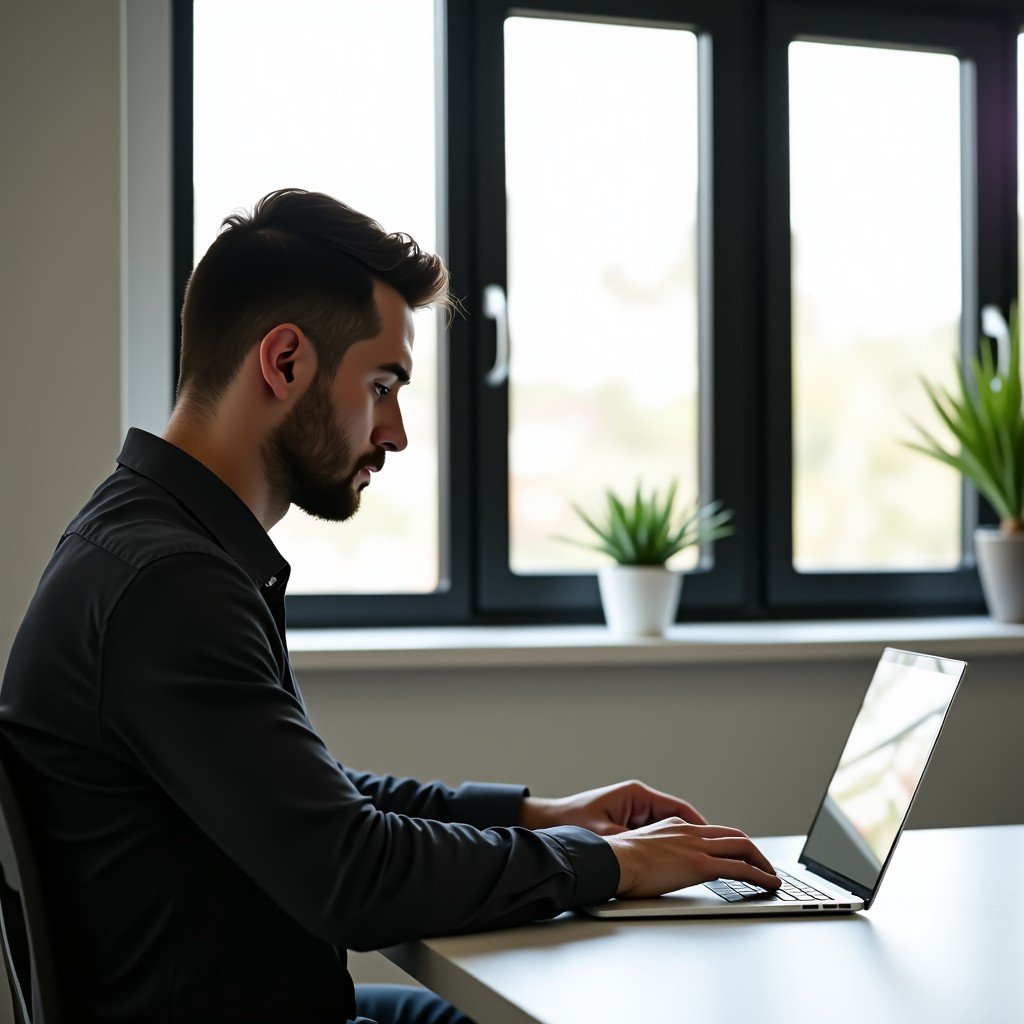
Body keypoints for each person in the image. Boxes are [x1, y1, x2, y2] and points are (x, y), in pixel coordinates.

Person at [0, 189, 781, 1024]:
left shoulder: (145, 538)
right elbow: (355, 874)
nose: (397, 431)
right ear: (286, 361)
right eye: (382, 385)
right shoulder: (170, 584)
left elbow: (311, 798)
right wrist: (610, 864)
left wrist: (534, 814)